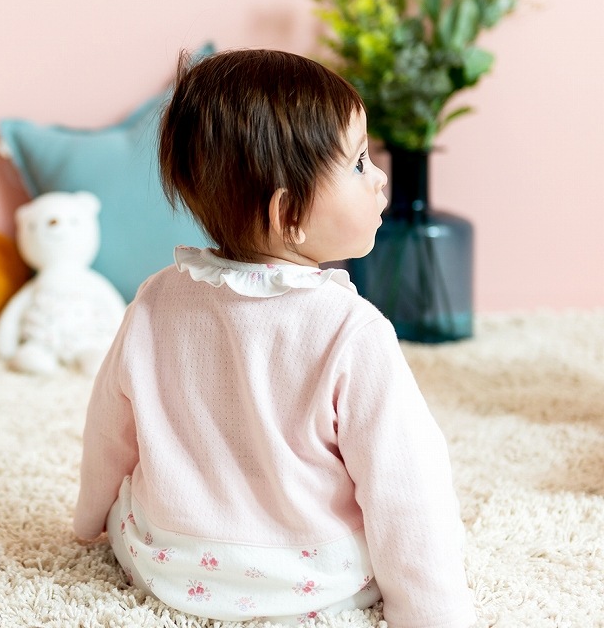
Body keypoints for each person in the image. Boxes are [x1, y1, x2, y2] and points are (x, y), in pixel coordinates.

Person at [74, 48, 477, 628]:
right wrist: (433, 614)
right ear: (288, 214)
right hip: (311, 578)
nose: (380, 176)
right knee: (411, 526)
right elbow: (407, 484)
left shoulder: (156, 298)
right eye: (359, 163)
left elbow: (109, 428)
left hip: (169, 561)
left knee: (132, 505)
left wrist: (91, 518)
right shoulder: (352, 330)